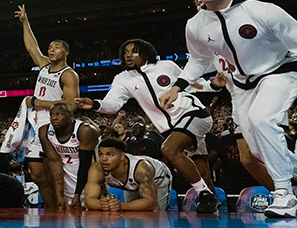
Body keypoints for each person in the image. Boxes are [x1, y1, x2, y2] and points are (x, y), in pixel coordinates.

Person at [158, 0, 297, 217]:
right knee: (259, 151)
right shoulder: (195, 25)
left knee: (262, 120)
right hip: (242, 84)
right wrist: (178, 86)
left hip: (282, 72)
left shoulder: (261, 11)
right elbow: (199, 60)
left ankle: (284, 194)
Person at [75, 38, 218, 213]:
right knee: (201, 170)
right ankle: (211, 206)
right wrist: (96, 104)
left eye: (133, 51)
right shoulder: (123, 79)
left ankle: (203, 194)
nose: (128, 55)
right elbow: (112, 103)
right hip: (171, 128)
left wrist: (212, 85)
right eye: (125, 53)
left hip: (193, 113)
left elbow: (191, 84)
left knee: (169, 149)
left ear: (146, 52)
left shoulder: (166, 65)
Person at [8, 4, 80, 207]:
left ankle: (62, 206)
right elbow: (32, 46)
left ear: (66, 52)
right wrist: (25, 22)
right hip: (35, 123)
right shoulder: (44, 66)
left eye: (56, 46)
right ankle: (50, 209)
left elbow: (70, 106)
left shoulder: (68, 74)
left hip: (54, 125)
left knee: (52, 171)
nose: (51, 49)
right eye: (50, 47)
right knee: (37, 174)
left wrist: (38, 102)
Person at [83, 138, 172, 211]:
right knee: (130, 215)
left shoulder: (141, 169)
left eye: (110, 154)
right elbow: (89, 200)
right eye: (101, 154)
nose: (104, 159)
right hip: (131, 183)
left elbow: (150, 203)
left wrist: (120, 205)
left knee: (157, 214)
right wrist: (104, 204)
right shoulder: (97, 168)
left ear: (122, 156)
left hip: (158, 177)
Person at [39, 103, 99, 208]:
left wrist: (78, 194)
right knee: (67, 220)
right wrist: (59, 194)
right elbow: (54, 162)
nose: (54, 118)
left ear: (70, 116)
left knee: (91, 219)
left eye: (59, 114)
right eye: (52, 115)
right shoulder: (44, 131)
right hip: (66, 180)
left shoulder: (85, 130)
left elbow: (85, 165)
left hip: (89, 181)